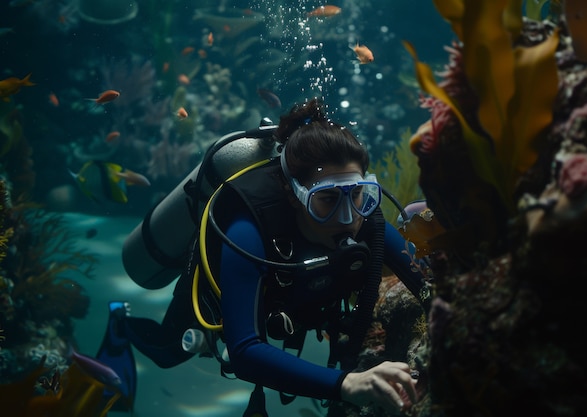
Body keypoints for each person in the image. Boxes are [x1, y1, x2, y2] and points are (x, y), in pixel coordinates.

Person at [97, 98, 430, 415]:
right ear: (294, 193)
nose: (348, 217)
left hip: (296, 303)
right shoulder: (249, 225)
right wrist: (347, 384)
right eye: (326, 200)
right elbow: (244, 352)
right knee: (170, 352)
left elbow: (428, 282)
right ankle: (120, 323)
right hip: (228, 293)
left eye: (358, 194)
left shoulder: (364, 216)